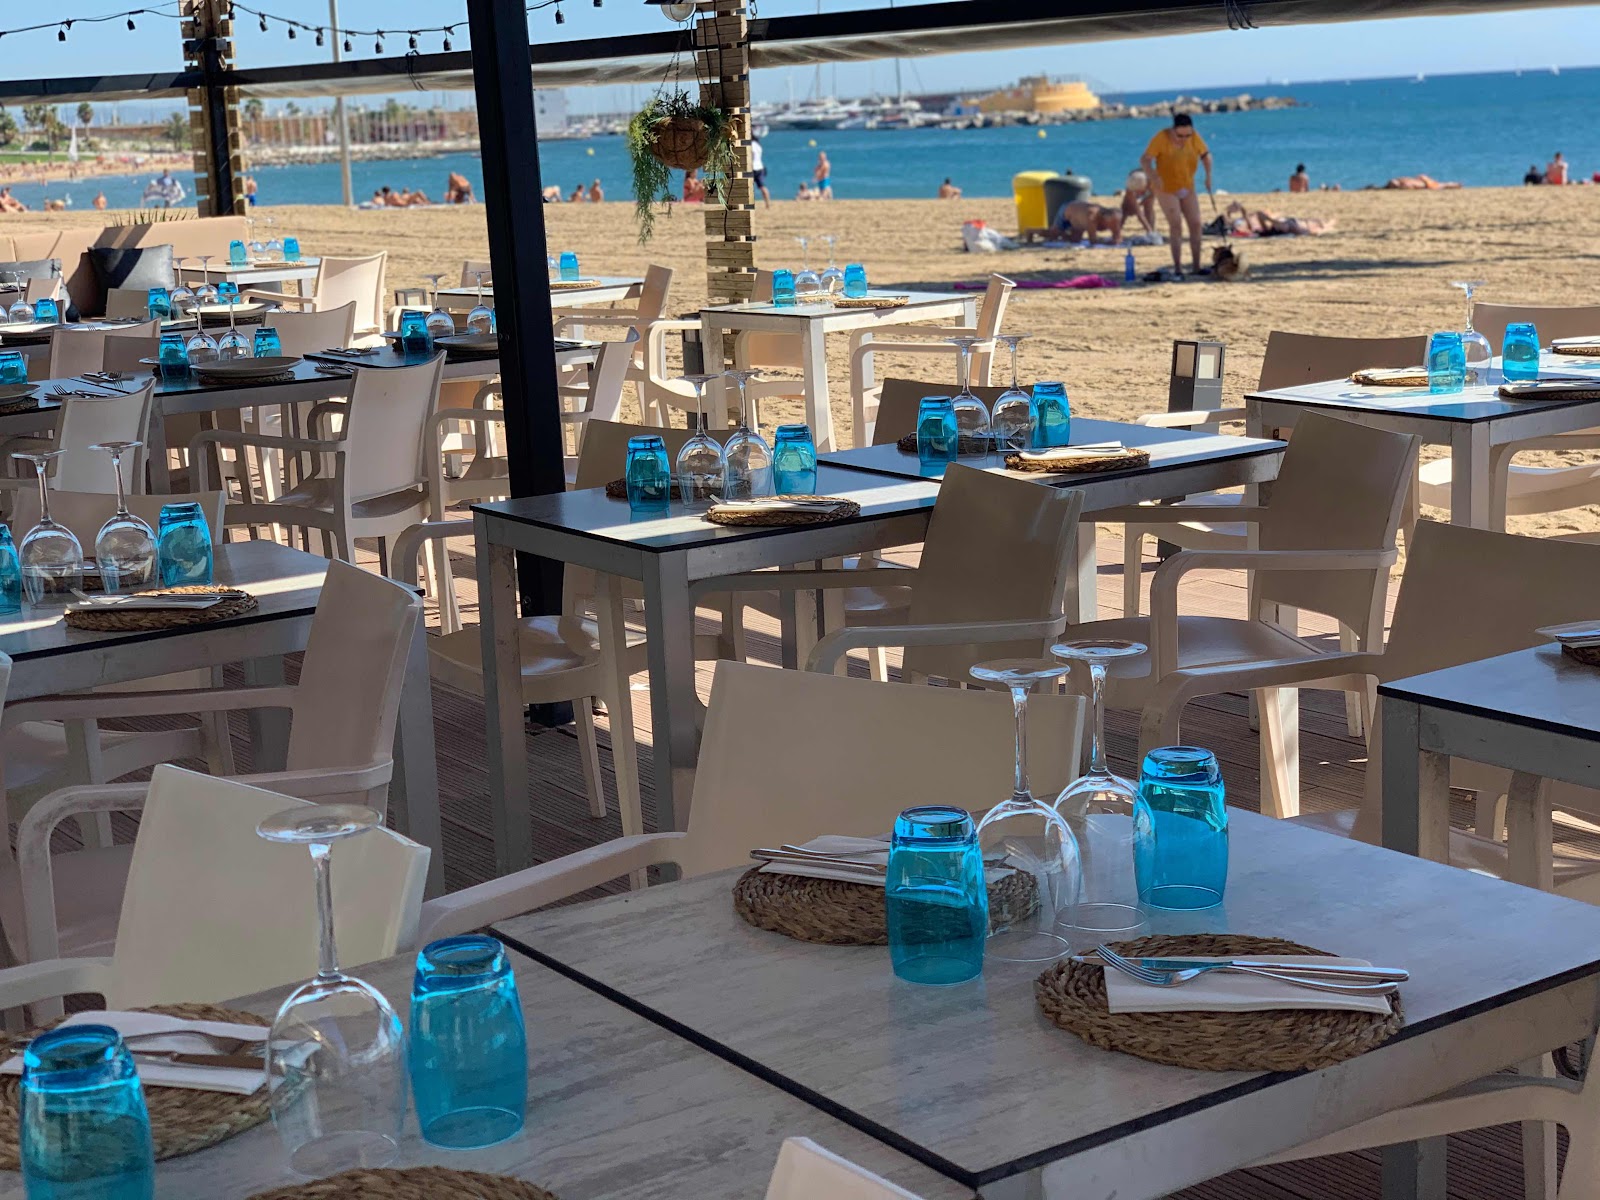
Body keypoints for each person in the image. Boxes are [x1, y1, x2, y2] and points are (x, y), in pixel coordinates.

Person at [1141, 112, 1212, 276]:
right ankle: (1178, 268)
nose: (1184, 139)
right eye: (1180, 136)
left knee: (1196, 223)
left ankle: (1196, 266)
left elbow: (1206, 155)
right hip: (1165, 187)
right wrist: (1153, 176)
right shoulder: (1161, 137)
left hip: (1187, 185)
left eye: (1187, 135)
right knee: (1176, 224)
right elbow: (1145, 160)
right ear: (1173, 130)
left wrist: (1208, 176)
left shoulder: (1194, 137)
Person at [1052, 199, 1123, 244]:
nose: (1115, 226)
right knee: (1053, 234)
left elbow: (1118, 238)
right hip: (1067, 211)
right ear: (1105, 219)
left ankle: (1061, 233)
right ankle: (1055, 232)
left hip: (1079, 217)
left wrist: (1116, 239)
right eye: (1113, 223)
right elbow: (1093, 240)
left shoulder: (1114, 218)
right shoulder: (1092, 217)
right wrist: (1107, 242)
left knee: (1075, 239)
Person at [1120, 169, 1156, 235]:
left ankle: (1152, 229)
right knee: (1125, 209)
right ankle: (1118, 229)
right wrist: (1149, 231)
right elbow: (1139, 213)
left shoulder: (1152, 185)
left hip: (1147, 190)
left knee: (1149, 209)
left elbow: (1149, 209)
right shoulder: (1131, 186)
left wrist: (1150, 232)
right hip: (1133, 197)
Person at [749, 136, 770, 207]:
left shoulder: (751, 145)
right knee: (762, 186)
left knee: (748, 186)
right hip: (760, 167)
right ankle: (767, 204)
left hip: (753, 168)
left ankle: (750, 203)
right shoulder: (758, 145)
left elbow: (750, 156)